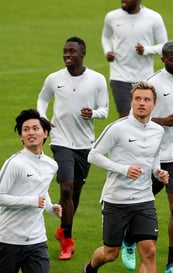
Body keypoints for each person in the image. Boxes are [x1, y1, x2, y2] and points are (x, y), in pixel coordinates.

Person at [120, 40, 173, 273]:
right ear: (163, 59)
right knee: (137, 202)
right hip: (149, 155)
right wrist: (162, 121)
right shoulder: (152, 83)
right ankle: (129, 240)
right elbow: (133, 116)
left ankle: (172, 262)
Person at [82, 81, 169, 273]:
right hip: (116, 200)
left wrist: (158, 172)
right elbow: (93, 155)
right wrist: (123, 169)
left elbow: (153, 160)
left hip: (144, 199)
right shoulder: (117, 128)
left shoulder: (158, 131)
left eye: (147, 99)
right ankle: (90, 268)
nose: (142, 103)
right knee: (110, 253)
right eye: (137, 99)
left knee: (150, 251)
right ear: (131, 101)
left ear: (154, 104)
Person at [37, 36, 109, 260]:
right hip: (61, 140)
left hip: (84, 144)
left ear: (83, 54)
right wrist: (42, 117)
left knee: (76, 191)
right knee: (66, 188)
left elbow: (104, 110)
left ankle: (63, 229)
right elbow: (43, 98)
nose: (67, 55)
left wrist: (93, 114)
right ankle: (67, 240)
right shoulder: (54, 78)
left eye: (72, 52)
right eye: (65, 51)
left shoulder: (97, 79)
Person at [0, 109, 62, 273]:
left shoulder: (51, 165)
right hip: (8, 240)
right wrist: (31, 201)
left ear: (45, 133)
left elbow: (41, 189)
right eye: (25, 130)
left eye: (35, 128)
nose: (30, 133)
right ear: (21, 136)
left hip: (36, 240)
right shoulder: (15, 163)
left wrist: (50, 207)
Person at [102, 0, 168, 118]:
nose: (123, 1)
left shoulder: (153, 17)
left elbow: (164, 45)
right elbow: (106, 37)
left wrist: (146, 50)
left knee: (143, 116)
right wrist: (108, 51)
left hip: (145, 77)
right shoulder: (112, 17)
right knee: (125, 116)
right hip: (119, 76)